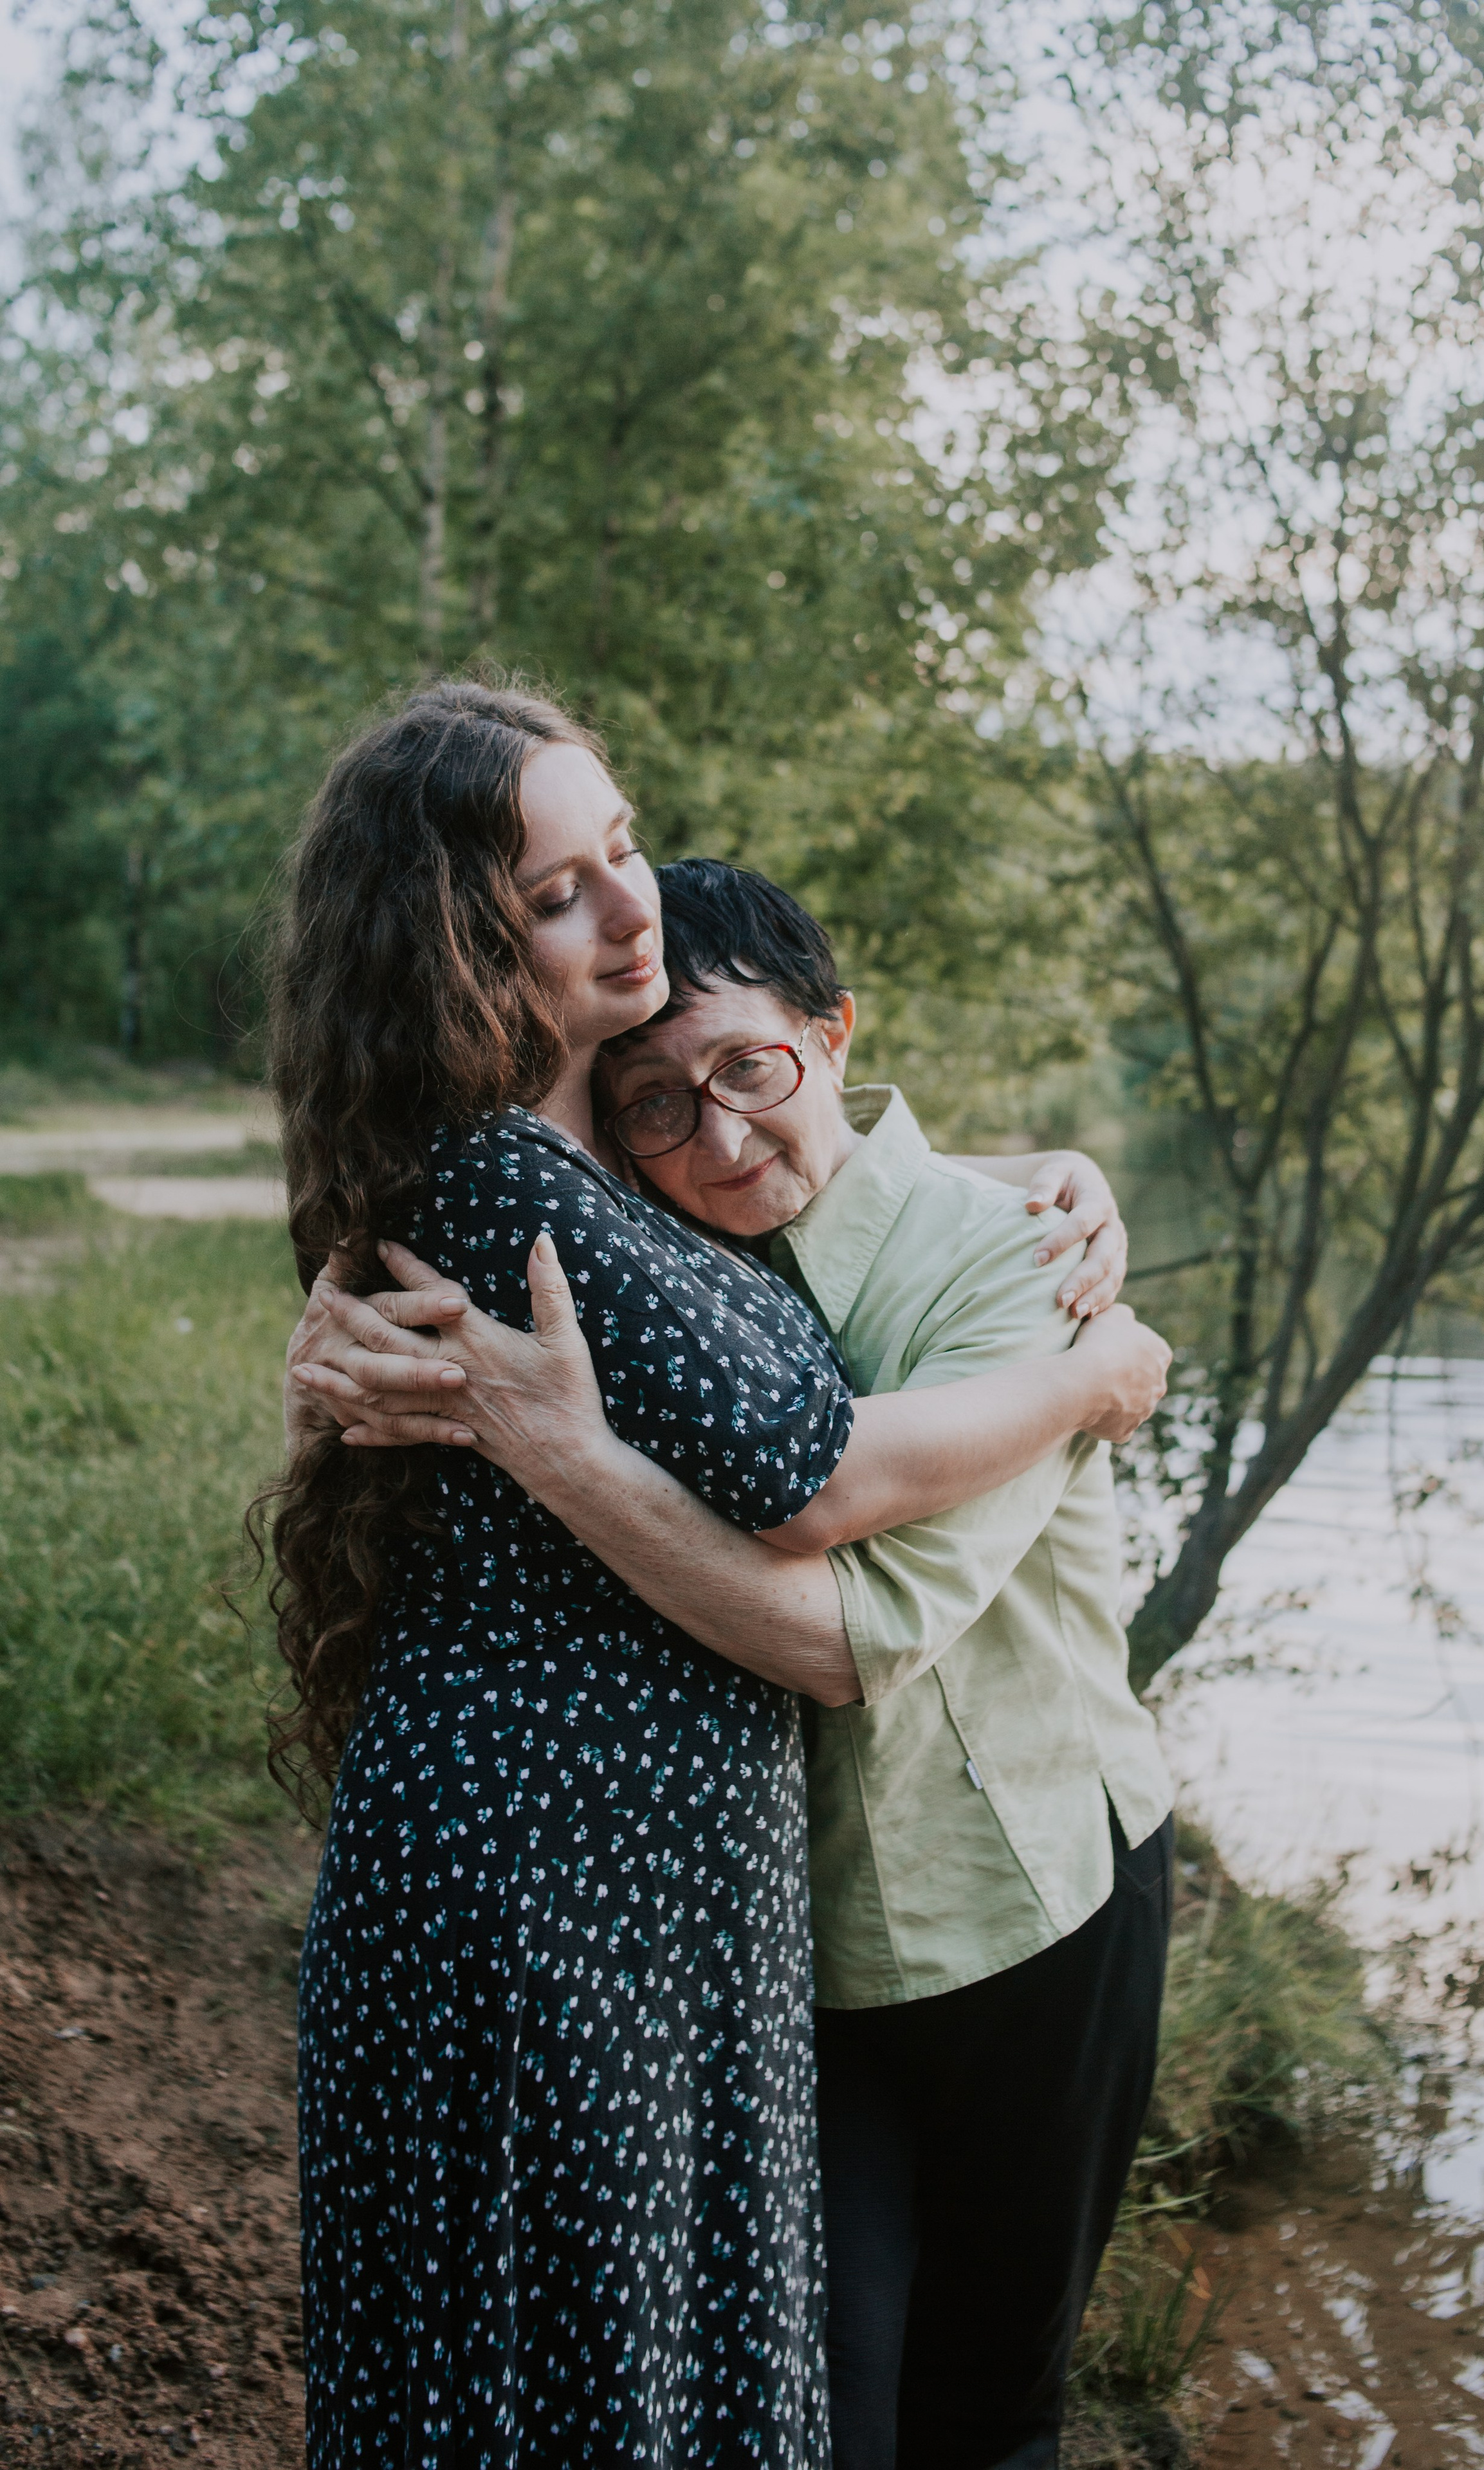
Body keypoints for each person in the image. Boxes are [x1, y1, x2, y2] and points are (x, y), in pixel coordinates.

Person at [271, 676, 1171, 2470]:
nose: (629, 908)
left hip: (1004, 1895)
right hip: (629, 1906)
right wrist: (1093, 1382)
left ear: (836, 1039)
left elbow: (835, 1563)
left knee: (945, 2406)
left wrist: (1056, 1266)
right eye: (558, 890)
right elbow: (798, 1463)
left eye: (624, 857)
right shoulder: (542, 1190)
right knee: (647, 2384)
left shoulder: (921, 1242)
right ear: (459, 945)